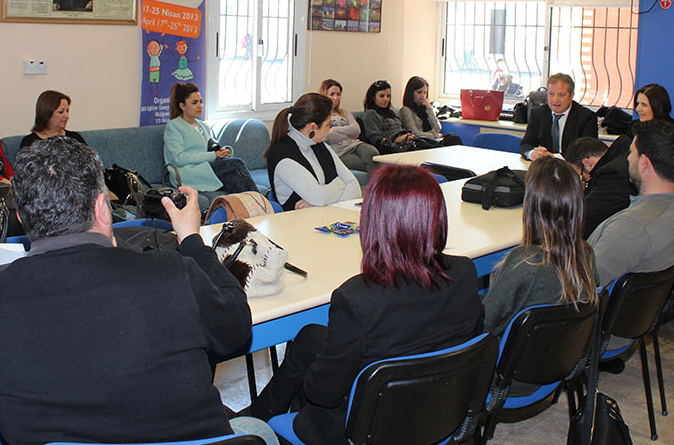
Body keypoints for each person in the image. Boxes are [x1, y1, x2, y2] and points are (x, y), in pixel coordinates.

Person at [0, 137, 277, 445]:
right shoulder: (170, 274)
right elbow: (237, 326)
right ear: (103, 209)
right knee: (259, 429)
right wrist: (192, 242)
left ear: (21, 218)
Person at [248, 164, 484, 443]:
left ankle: (258, 421)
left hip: (365, 429)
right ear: (437, 217)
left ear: (374, 222)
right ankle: (260, 413)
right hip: (439, 410)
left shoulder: (357, 299)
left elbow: (322, 394)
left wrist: (313, 376)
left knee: (313, 376)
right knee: (309, 338)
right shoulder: (465, 272)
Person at [482, 156, 598, 394]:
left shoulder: (524, 263)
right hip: (558, 367)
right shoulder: (586, 254)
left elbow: (484, 326)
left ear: (531, 205)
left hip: (507, 379)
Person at [588, 120, 674, 287]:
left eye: (631, 152)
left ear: (644, 162)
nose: (628, 158)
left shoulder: (629, 229)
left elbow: (580, 283)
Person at [164, 83, 257, 207]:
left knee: (234, 180)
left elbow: (212, 145)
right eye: (194, 103)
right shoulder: (173, 126)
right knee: (236, 163)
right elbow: (179, 158)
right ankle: (261, 204)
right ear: (182, 106)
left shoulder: (202, 126)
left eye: (201, 102)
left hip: (205, 167)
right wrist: (213, 155)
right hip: (187, 172)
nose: (200, 106)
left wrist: (223, 152)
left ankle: (249, 212)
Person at [265, 92, 361, 211]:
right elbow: (319, 197)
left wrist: (320, 201)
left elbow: (354, 187)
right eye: (327, 125)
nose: (329, 129)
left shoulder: (319, 145)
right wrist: (340, 184)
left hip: (324, 214)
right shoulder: (282, 155)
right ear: (312, 127)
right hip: (296, 220)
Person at [564, 136, 634, 238]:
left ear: (588, 164)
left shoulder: (612, 176)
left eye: (581, 177)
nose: (584, 182)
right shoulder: (621, 159)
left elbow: (584, 220)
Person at [519, 73, 598, 160]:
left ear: (571, 96)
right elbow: (525, 145)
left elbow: (587, 151)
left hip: (572, 166)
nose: (555, 100)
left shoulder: (586, 117)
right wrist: (532, 153)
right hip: (545, 166)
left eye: (561, 95)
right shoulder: (538, 113)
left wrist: (554, 157)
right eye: (551, 94)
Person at [319, 78, 377, 174]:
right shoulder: (320, 115)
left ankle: (379, 182)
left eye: (338, 94)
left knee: (374, 155)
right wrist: (348, 134)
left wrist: (333, 129)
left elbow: (356, 130)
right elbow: (325, 136)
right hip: (340, 153)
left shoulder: (344, 112)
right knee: (365, 164)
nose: (336, 98)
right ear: (324, 95)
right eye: (332, 94)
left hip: (355, 145)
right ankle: (378, 183)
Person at [398, 75, 462, 146]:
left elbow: (437, 128)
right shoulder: (406, 110)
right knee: (452, 141)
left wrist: (429, 108)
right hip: (419, 142)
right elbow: (415, 134)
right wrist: (434, 135)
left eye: (425, 92)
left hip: (431, 139)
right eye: (419, 92)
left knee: (454, 138)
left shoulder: (425, 108)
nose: (423, 96)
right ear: (411, 93)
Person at [19, 90, 87, 149]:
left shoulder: (74, 137)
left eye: (67, 111)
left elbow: (90, 158)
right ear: (47, 114)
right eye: (61, 112)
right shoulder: (30, 142)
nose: (67, 116)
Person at [360, 79, 414, 154]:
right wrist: (395, 140)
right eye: (382, 96)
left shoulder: (391, 112)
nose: (386, 99)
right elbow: (375, 139)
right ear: (373, 97)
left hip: (406, 141)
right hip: (392, 147)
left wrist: (407, 136)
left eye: (388, 96)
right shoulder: (371, 114)